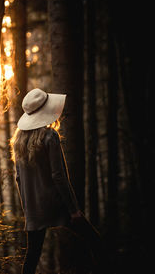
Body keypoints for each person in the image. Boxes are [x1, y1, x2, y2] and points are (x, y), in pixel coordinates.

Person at [10, 88, 103, 274]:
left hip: (34, 209)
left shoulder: (18, 142)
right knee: (95, 241)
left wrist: (29, 212)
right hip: (56, 204)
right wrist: (73, 209)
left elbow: (19, 179)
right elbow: (58, 176)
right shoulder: (49, 136)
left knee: (33, 254)